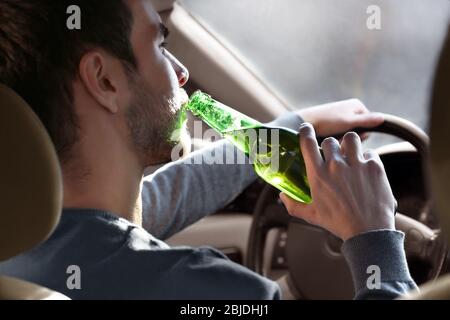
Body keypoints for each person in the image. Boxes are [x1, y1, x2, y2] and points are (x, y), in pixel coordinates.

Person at [0, 0, 417, 299]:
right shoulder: (215, 293)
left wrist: (287, 128)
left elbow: (149, 204)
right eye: (160, 46)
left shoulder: (18, 247)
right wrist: (374, 238)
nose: (182, 73)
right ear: (104, 81)